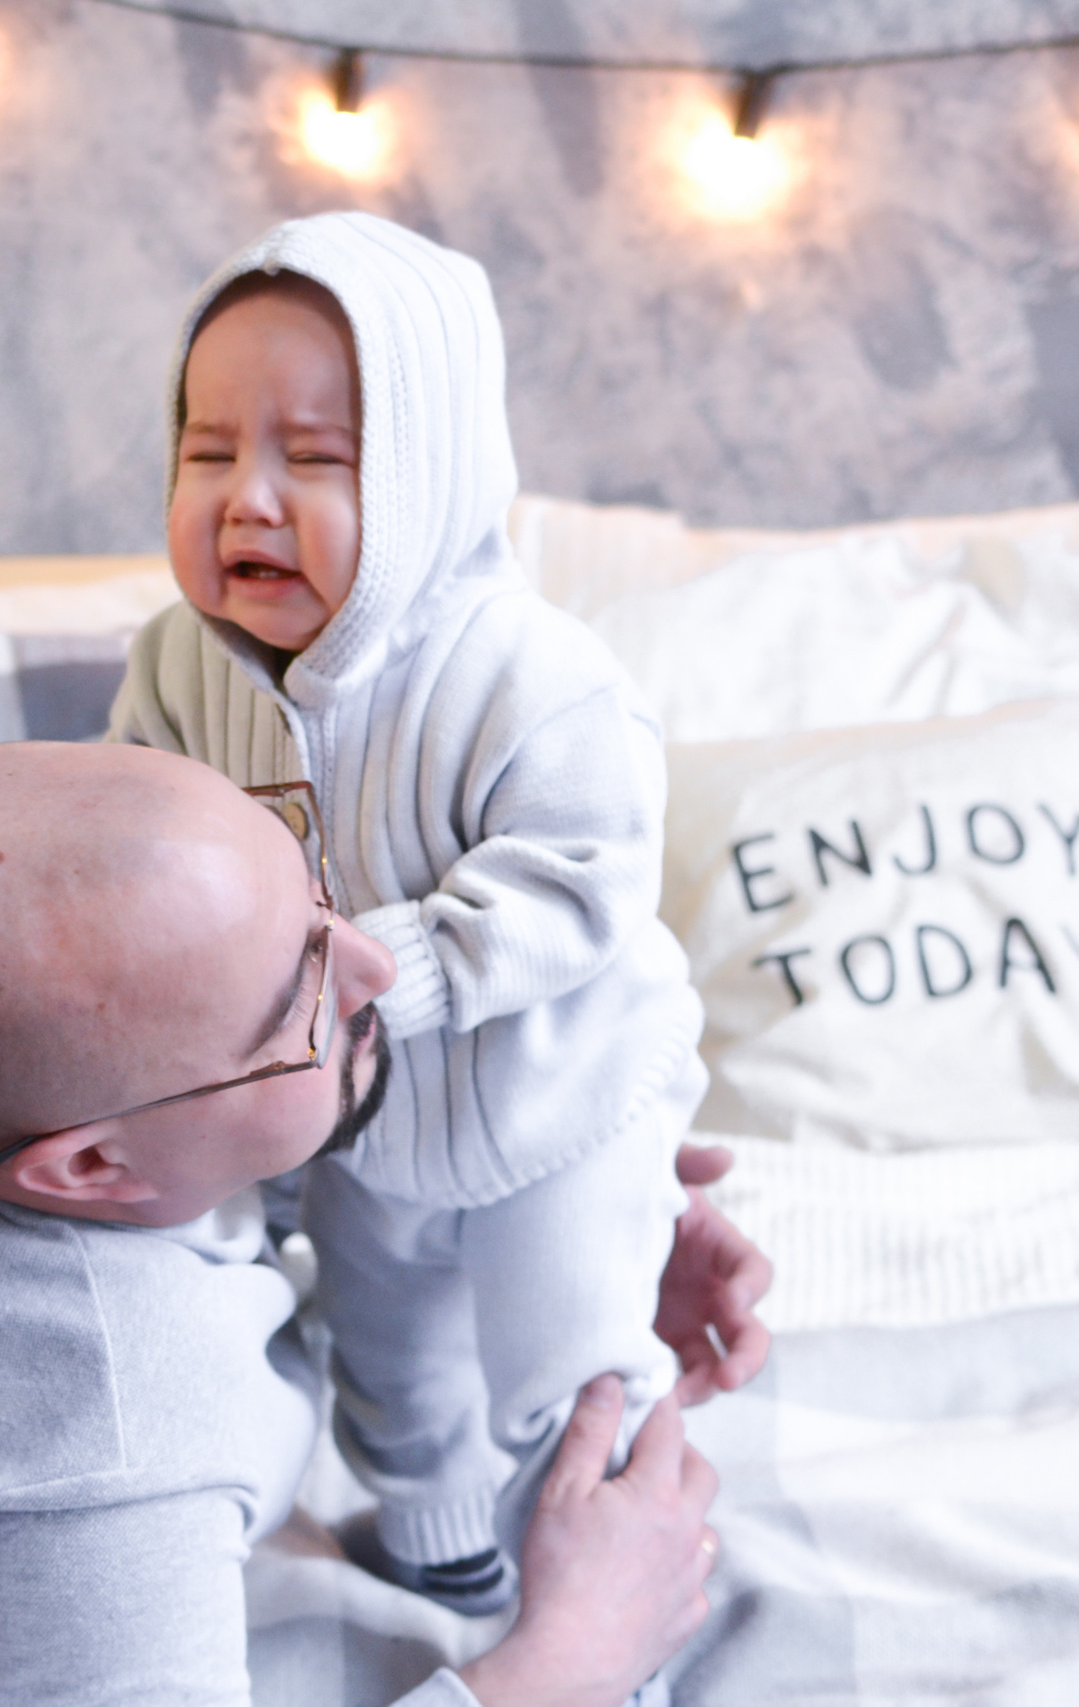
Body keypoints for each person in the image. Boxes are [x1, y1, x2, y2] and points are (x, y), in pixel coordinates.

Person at [0, 741, 774, 1707]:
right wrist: (565, 1662)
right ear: (92, 1168)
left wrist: (537, 1194)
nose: (378, 961)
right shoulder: (111, 1451)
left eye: (313, 885)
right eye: (300, 1006)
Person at [107, 210, 718, 1615]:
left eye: (316, 459)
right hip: (354, 1118)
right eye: (208, 452)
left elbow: (582, 876)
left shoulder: (534, 674)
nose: (249, 500)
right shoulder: (173, 673)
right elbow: (130, 852)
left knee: (572, 1356)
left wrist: (387, 969)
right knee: (385, 1348)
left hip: (555, 1100)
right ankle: (444, 1551)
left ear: (432, 475)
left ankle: (621, 1587)